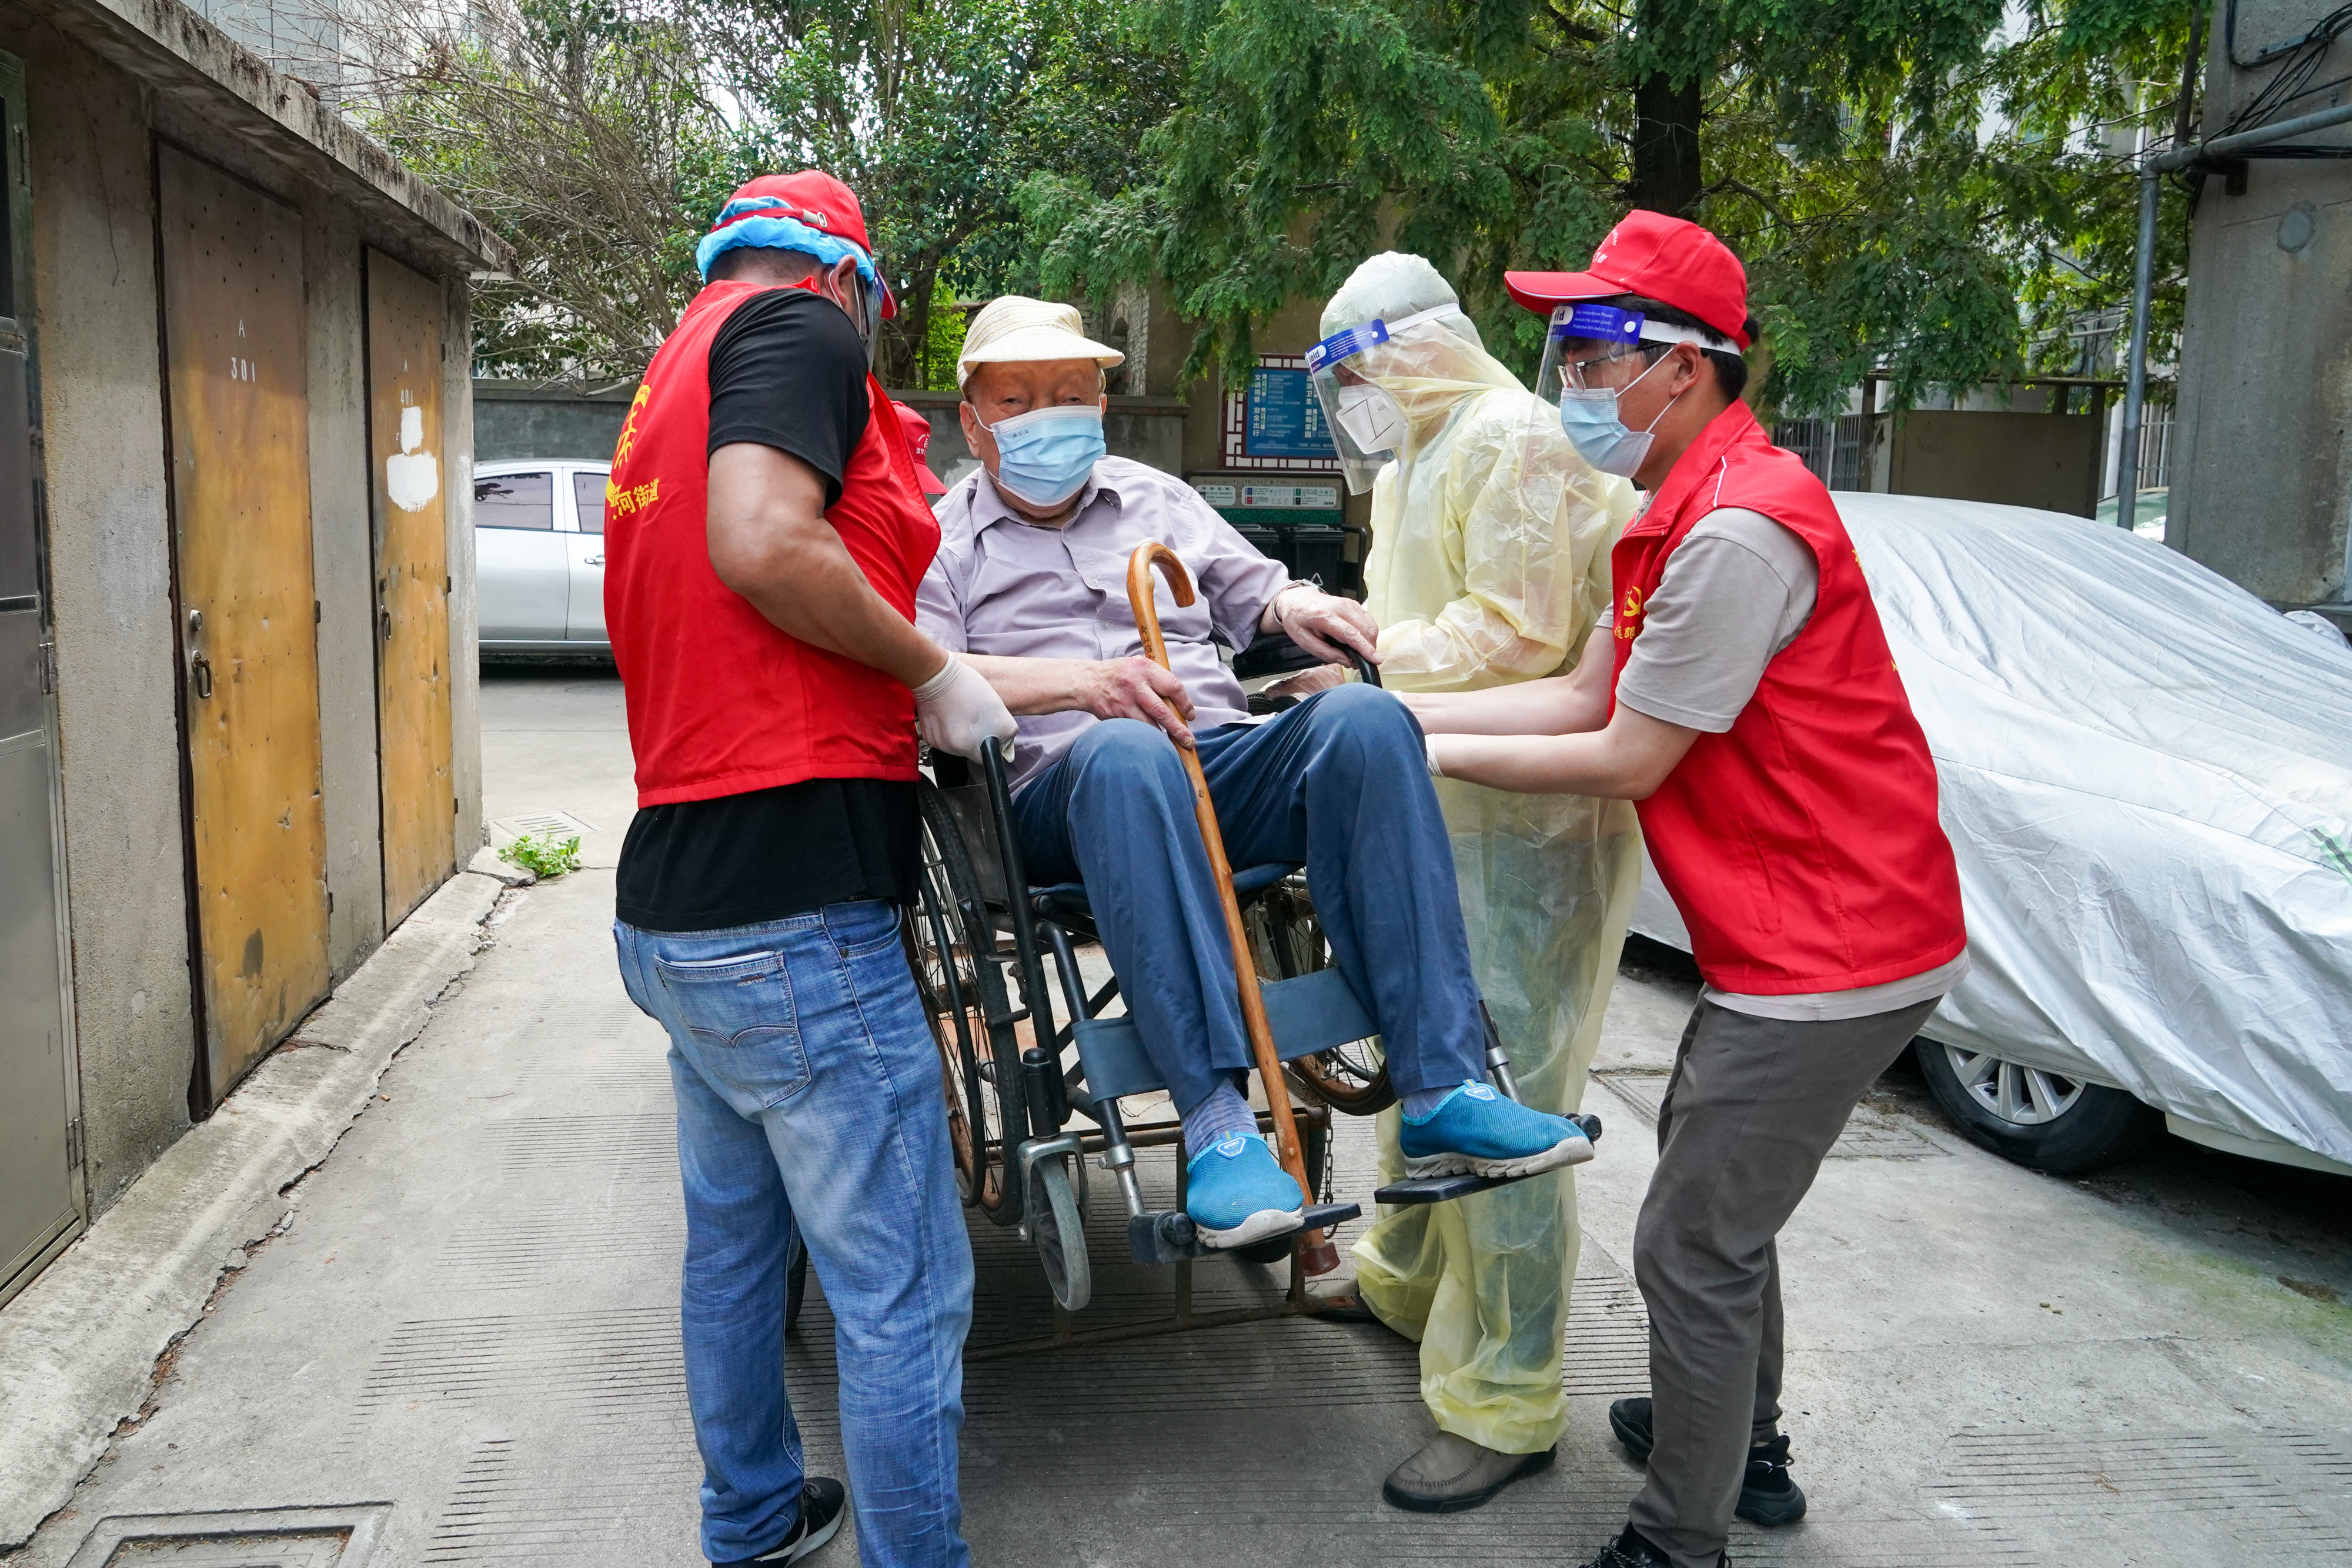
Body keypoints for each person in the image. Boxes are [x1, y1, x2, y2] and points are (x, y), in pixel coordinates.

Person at [1403, 211, 1970, 1568]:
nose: (1569, 380)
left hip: (1830, 941)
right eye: (1562, 347)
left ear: (1687, 366)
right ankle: (1742, 1444)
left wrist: (1404, 747)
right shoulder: (1673, 512)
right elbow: (1587, 688)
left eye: (1594, 350)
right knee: (1722, 1207)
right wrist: (1396, 719)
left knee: (1686, 1241)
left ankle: (1678, 1536)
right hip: (1786, 932)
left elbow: (1622, 751)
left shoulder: (1736, 530)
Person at [914, 295, 1599, 1252]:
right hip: (1064, 794)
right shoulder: (939, 540)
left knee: (1364, 719)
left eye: (1071, 392)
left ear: (1102, 405)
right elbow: (932, 683)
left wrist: (1298, 604)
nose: (1050, 413)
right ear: (977, 422)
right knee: (1124, 750)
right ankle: (1217, 1125)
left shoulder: (1160, 500)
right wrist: (1088, 684)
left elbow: (1259, 594)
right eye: (1019, 398)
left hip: (1218, 762)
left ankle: (1446, 1081)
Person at [603, 170, 1015, 1568]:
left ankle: (755, 1515)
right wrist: (932, 664)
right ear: (847, 281)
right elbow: (768, 543)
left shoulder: (674, 376)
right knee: (902, 1289)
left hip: (681, 906)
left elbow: (750, 600)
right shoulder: (799, 330)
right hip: (794, 916)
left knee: (733, 1250)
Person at [1297, 253, 1643, 1513]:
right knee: (1420, 1062)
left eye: (1356, 368)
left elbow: (1517, 631)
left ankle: (1508, 1395)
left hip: (1524, 827)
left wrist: (1363, 656)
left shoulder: (1511, 439)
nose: (1353, 398)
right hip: (1434, 810)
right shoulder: (1411, 465)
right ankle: (1397, 1277)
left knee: (1499, 1105)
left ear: (1415, 344)